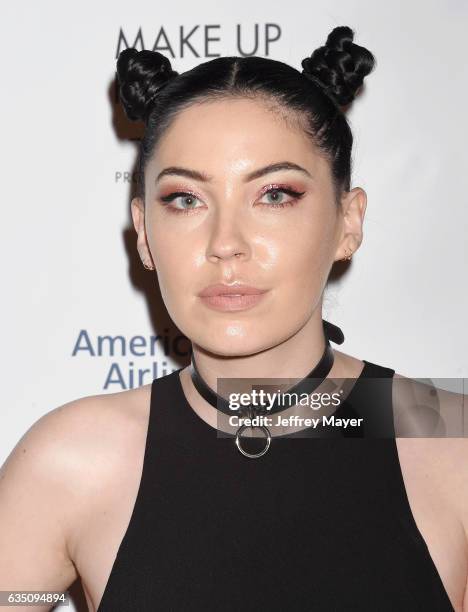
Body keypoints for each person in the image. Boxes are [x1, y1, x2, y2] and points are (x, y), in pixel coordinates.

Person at [0, 25, 466, 612]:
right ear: (144, 233)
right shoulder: (70, 463)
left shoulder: (451, 442)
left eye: (275, 194)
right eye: (185, 200)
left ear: (350, 221)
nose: (226, 244)